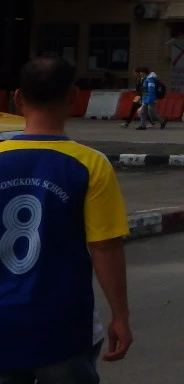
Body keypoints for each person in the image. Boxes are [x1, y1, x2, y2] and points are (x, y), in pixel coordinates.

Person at [0, 56, 132, 381]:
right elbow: (105, 247)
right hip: (63, 326)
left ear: (17, 98)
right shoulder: (91, 164)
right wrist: (120, 315)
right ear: (73, 96)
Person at [135, 66, 165, 130]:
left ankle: (162, 121)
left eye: (141, 72)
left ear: (144, 73)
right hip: (145, 98)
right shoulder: (145, 79)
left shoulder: (150, 80)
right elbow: (144, 90)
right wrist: (143, 99)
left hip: (151, 98)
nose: (140, 74)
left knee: (151, 113)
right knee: (143, 112)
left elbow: (151, 90)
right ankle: (143, 126)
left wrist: (151, 99)